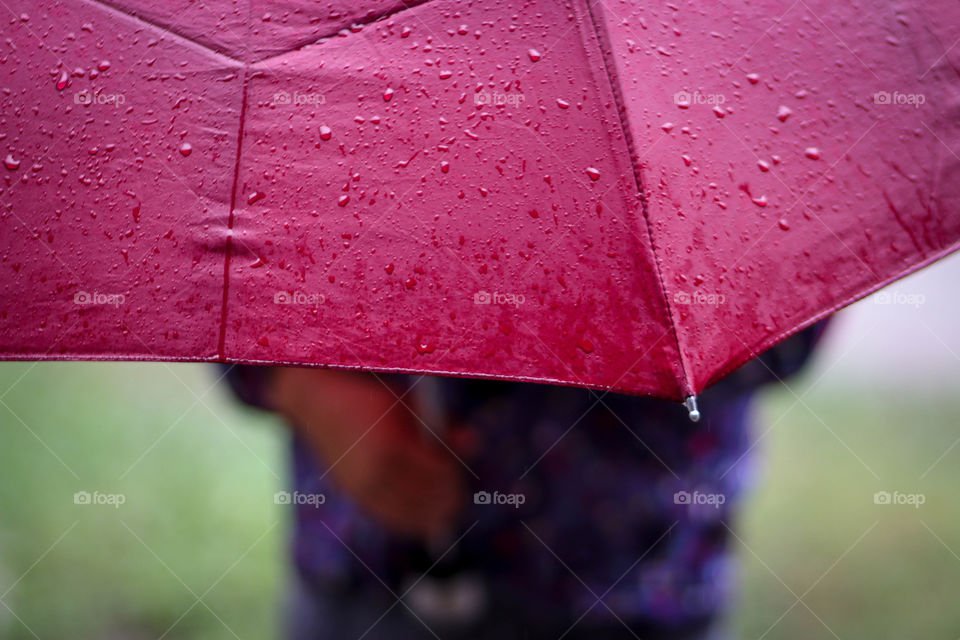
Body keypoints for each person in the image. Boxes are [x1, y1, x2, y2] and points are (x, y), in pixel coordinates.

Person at [223, 323, 826, 639]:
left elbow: (788, 318)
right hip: (373, 577)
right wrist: (293, 377)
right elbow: (237, 209)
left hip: (641, 588)